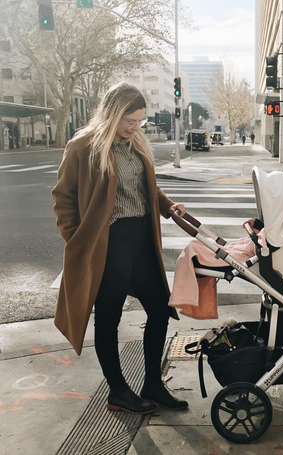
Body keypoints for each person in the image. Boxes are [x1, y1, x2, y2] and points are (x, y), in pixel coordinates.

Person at [52, 82, 188, 415]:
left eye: (139, 121)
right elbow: (63, 197)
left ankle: (152, 384)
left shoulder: (137, 143)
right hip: (107, 245)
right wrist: (78, 240)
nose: (134, 127)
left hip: (141, 240)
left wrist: (168, 205)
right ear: (112, 114)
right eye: (129, 121)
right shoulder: (84, 146)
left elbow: (146, 189)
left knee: (159, 310)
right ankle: (118, 391)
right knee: (108, 320)